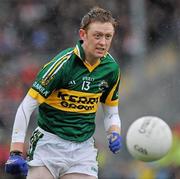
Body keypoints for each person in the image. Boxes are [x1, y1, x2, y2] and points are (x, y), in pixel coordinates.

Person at [5, 7, 122, 179]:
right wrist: (15, 151)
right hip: (48, 145)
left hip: (83, 150)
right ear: (83, 34)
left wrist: (114, 132)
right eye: (97, 35)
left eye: (108, 36)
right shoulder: (63, 64)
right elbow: (27, 106)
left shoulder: (111, 69)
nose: (103, 43)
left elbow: (111, 111)